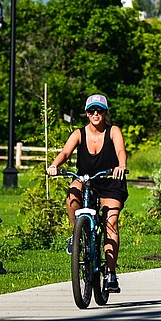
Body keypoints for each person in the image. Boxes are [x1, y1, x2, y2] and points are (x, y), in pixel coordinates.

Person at [46, 93, 129, 293]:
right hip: (86, 179)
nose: (95, 114)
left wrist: (121, 165)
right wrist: (55, 165)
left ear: (105, 112)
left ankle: (110, 274)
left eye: (99, 110)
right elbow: (65, 153)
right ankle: (77, 235)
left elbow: (120, 151)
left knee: (112, 221)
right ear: (86, 113)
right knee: (73, 193)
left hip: (110, 180)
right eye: (91, 110)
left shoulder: (113, 131)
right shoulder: (79, 134)